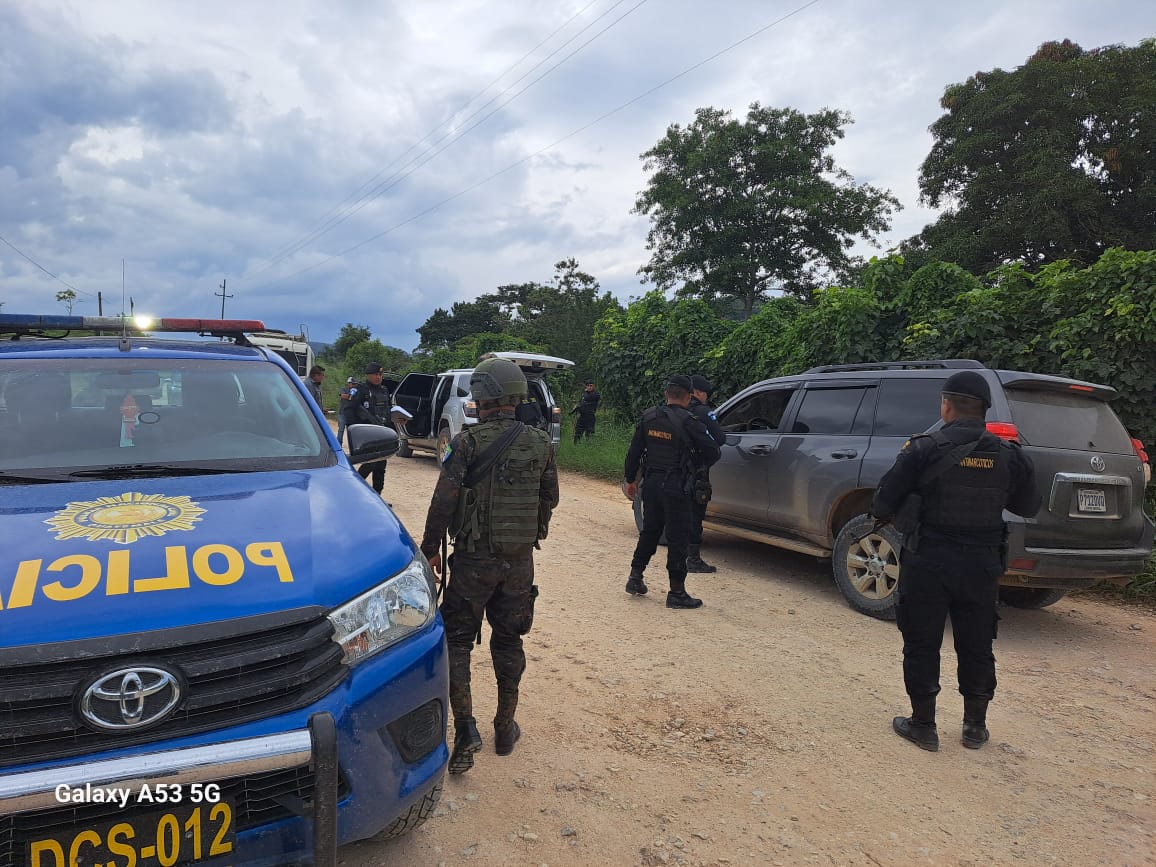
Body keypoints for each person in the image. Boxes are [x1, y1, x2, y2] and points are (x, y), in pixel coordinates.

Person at [871, 371, 1041, 752]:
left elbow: (881, 503)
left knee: (922, 642)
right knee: (977, 643)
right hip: (981, 565)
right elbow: (1027, 505)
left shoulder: (921, 449)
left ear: (946, 405)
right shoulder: (1010, 455)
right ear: (983, 410)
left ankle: (923, 726)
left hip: (929, 560)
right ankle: (975, 728)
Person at [420, 357, 559, 774]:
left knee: (458, 641)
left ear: (483, 398)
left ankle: (465, 730)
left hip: (472, 563)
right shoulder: (540, 443)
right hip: (519, 564)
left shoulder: (466, 443)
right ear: (517, 397)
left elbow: (443, 501)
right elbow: (549, 498)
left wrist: (430, 549)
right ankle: (504, 726)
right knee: (509, 641)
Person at [623, 375, 720, 609]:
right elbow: (714, 452)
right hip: (678, 486)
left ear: (667, 394)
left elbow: (633, 453)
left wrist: (630, 481)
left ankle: (635, 577)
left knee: (650, 531)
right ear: (689, 396)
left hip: (652, 484)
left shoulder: (649, 418)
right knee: (678, 537)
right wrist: (695, 464)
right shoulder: (691, 422)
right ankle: (676, 592)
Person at [686, 374, 725, 573]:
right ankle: (692, 559)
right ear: (699, 393)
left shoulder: (673, 410)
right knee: (695, 513)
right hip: (696, 471)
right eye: (706, 394)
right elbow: (719, 438)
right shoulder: (702, 411)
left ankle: (679, 555)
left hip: (671, 471)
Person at [345, 362, 392, 495]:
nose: (378, 377)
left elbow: (387, 411)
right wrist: (354, 429)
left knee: (381, 466)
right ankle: (353, 489)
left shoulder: (384, 390)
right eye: (376, 374)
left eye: (380, 374)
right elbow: (348, 410)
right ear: (368, 375)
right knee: (369, 464)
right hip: (367, 434)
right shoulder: (361, 390)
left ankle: (378, 496)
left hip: (382, 432)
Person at [336, 376, 355, 445]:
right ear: (348, 383)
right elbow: (342, 396)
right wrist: (351, 395)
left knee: (351, 432)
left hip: (351, 415)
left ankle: (352, 447)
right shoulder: (343, 389)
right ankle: (338, 446)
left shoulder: (356, 390)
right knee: (341, 431)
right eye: (352, 383)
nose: (353, 385)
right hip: (342, 413)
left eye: (354, 383)